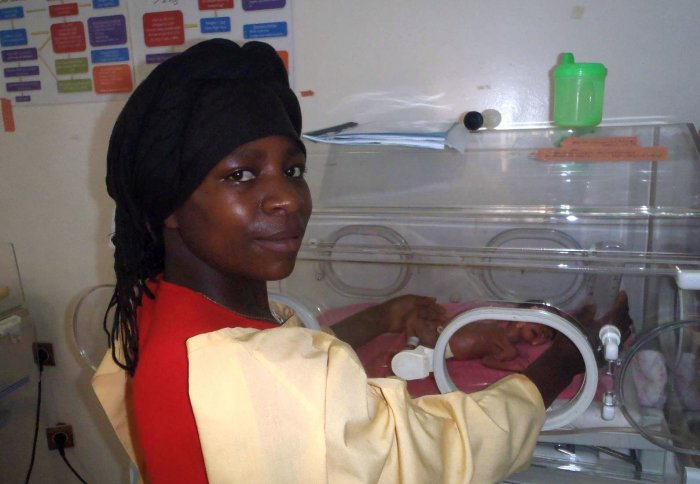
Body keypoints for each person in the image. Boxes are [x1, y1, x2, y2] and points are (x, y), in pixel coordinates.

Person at [91, 38, 632, 484]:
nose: (288, 198)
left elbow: (282, 373)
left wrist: (383, 316)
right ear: (169, 206)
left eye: (294, 169)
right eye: (240, 174)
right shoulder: (250, 368)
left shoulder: (161, 311)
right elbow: (436, 452)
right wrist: (569, 355)